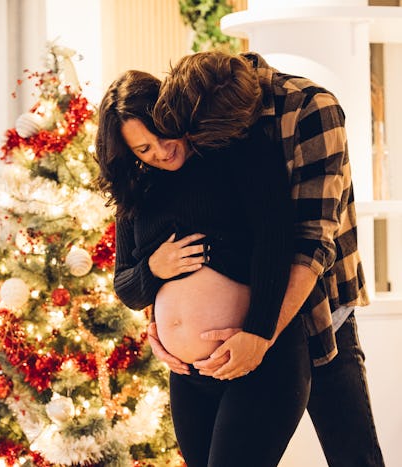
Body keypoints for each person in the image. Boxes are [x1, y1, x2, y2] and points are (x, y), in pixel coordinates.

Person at [149, 51, 385, 467]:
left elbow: (311, 240)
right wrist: (158, 320)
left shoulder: (312, 108)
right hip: (229, 328)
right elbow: (175, 219)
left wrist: (261, 334)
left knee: (353, 454)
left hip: (315, 310)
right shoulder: (192, 105)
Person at [95, 68, 310, 467]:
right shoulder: (138, 191)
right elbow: (126, 287)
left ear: (173, 116)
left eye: (162, 134)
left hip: (256, 360)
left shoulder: (233, 151)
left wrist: (260, 332)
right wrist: (154, 268)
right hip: (188, 377)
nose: (160, 151)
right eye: (142, 150)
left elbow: (275, 242)